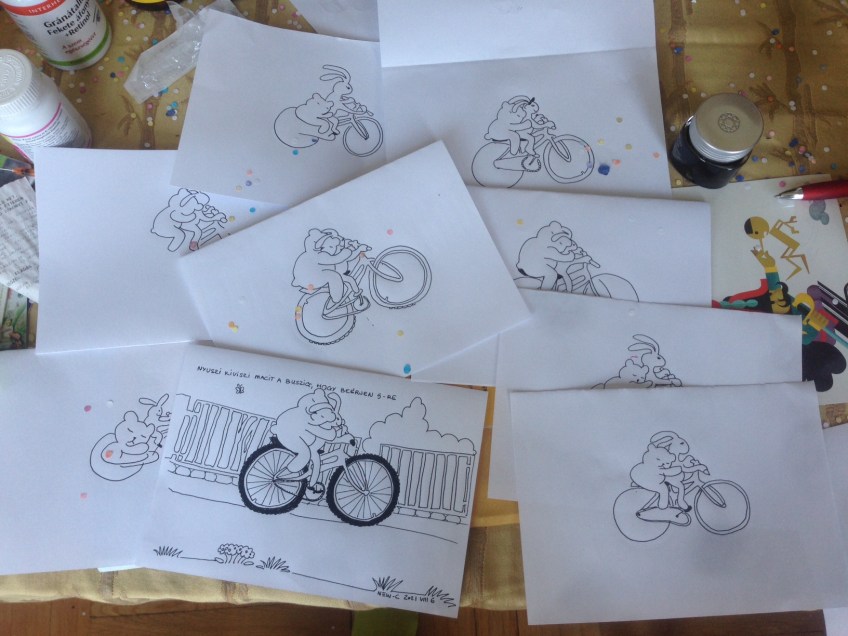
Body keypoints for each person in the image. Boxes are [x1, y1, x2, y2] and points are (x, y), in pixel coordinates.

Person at [271, 389, 350, 500]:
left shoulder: (319, 422)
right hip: (289, 434)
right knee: (305, 454)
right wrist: (343, 438)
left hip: (307, 443)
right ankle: (286, 473)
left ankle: (311, 486)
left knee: (316, 462)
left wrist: (342, 436)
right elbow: (330, 436)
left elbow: (329, 436)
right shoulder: (308, 421)